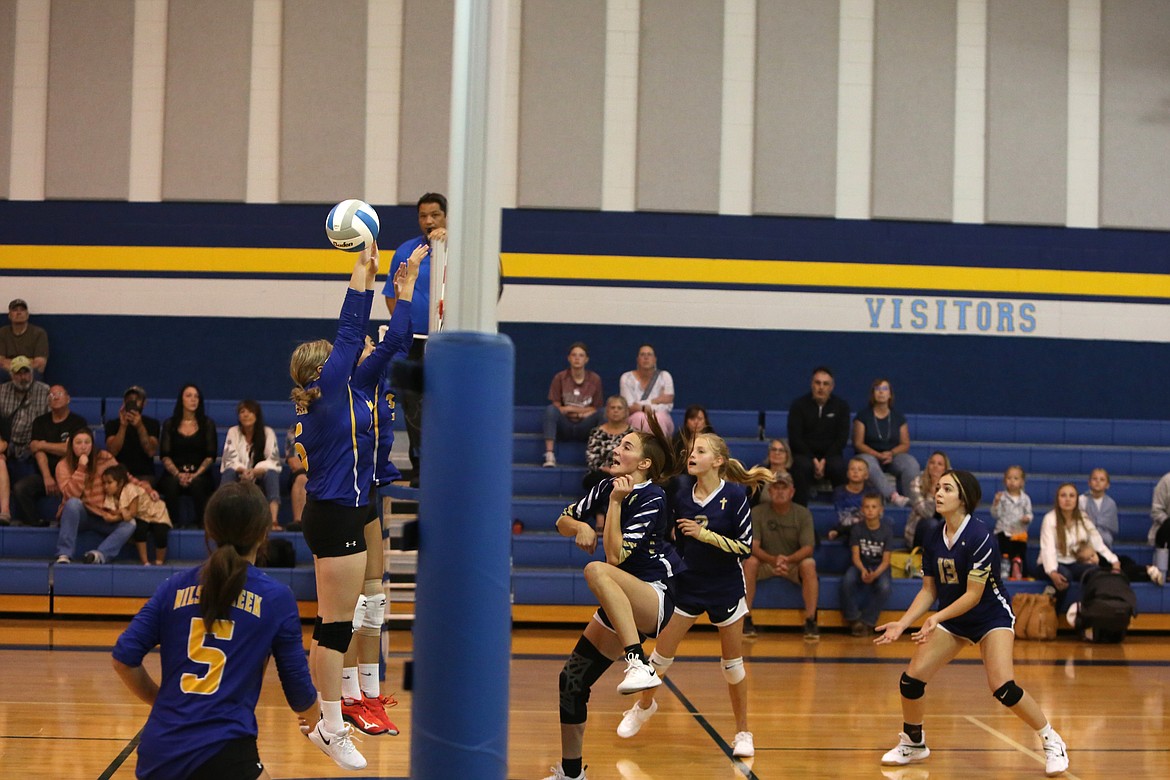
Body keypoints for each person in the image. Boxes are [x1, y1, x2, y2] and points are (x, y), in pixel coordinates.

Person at [291, 241, 423, 770]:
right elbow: (350, 330)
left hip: (351, 508)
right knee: (333, 626)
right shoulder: (326, 396)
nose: (350, 352)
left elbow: (393, 343)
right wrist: (360, 273)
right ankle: (330, 724)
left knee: (344, 620)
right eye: (340, 355)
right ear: (319, 372)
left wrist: (406, 291)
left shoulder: (351, 389)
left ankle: (337, 714)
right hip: (332, 516)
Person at [111, 482, 322, 779]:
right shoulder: (276, 598)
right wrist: (319, 720)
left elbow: (123, 658)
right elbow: (299, 691)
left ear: (208, 530)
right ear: (264, 534)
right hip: (225, 750)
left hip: (159, 751)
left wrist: (162, 701)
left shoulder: (173, 588)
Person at [875, 469, 1069, 776]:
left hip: (990, 616)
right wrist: (903, 623)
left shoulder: (981, 536)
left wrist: (935, 617)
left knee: (1003, 687)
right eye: (937, 488)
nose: (938, 493)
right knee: (911, 681)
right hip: (954, 618)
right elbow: (929, 590)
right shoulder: (931, 535)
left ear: (963, 498)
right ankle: (914, 743)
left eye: (947, 489)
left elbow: (974, 596)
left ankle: (1051, 739)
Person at [614, 433, 771, 759]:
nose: (692, 454)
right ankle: (644, 707)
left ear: (717, 461)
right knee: (659, 658)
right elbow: (670, 540)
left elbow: (744, 547)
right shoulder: (682, 497)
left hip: (725, 587)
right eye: (691, 450)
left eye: (701, 450)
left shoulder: (736, 495)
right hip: (687, 585)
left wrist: (705, 535)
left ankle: (743, 732)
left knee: (733, 666)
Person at [545, 415, 684, 780]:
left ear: (644, 463)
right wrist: (581, 525)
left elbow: (614, 557)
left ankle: (638, 661)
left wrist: (617, 505)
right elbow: (562, 520)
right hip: (619, 598)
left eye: (626, 446)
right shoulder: (608, 486)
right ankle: (571, 774)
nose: (617, 448)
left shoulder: (653, 496)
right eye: (618, 443)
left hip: (653, 597)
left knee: (595, 571)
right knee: (571, 681)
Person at [340, 295, 416, 739]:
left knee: (375, 598)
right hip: (345, 497)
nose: (373, 344)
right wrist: (403, 293)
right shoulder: (351, 383)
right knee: (353, 605)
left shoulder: (378, 381)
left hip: (368, 491)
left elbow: (399, 342)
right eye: (366, 342)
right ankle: (349, 697)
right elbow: (391, 340)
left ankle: (369, 690)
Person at [382, 192, 447, 483]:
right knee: (411, 401)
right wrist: (401, 332)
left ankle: (448, 463)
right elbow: (391, 296)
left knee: (445, 402)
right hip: (413, 343)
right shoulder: (406, 251)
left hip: (447, 343)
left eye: (435, 214)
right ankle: (419, 465)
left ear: (446, 217)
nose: (429, 221)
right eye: (423, 216)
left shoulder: (461, 252)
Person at [744, 471, 820, 640]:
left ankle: (810, 620)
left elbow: (808, 548)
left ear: (792, 492)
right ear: (769, 492)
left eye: (783, 488)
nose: (779, 492)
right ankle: (746, 618)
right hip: (766, 562)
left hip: (792, 563)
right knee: (749, 561)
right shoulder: (757, 512)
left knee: (809, 564)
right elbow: (753, 547)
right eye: (775, 488)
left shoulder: (802, 513)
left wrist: (787, 560)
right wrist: (773, 560)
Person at [53, 428, 139, 564]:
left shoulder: (104, 457)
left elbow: (123, 476)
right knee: (73, 503)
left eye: (87, 442)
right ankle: (64, 554)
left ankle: (99, 555)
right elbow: (70, 495)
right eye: (78, 443)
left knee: (130, 524)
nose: (83, 446)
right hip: (80, 515)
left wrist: (146, 487)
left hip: (103, 515)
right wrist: (81, 468)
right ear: (71, 446)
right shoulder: (62, 465)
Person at [12, 383, 87, 525]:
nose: (55, 397)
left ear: (68, 399)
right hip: (45, 474)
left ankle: (70, 524)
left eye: (59, 394)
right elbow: (37, 450)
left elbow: (72, 449)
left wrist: (43, 444)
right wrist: (47, 477)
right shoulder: (40, 422)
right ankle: (35, 525)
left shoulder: (78, 422)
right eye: (51, 395)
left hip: (72, 474)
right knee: (20, 488)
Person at [1039, 482, 1120, 610]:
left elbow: (1097, 542)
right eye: (1063, 495)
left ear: (1077, 499)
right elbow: (1048, 549)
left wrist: (1114, 561)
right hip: (1052, 563)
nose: (1067, 499)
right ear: (1057, 499)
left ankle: (1089, 614)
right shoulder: (1049, 519)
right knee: (1065, 577)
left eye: (1071, 496)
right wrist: (1053, 572)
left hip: (1073, 562)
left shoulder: (1083, 518)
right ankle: (1052, 615)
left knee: (1095, 573)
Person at [787, 366, 850, 506]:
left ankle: (843, 514)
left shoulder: (841, 407)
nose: (821, 387)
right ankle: (801, 514)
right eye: (817, 383)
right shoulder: (798, 406)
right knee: (800, 467)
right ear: (812, 384)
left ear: (832, 387)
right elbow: (795, 438)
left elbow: (841, 439)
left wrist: (825, 460)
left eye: (825, 384)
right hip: (805, 455)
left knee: (840, 467)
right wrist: (814, 460)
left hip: (831, 455)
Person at [157, 384, 218, 528]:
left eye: (196, 396)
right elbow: (165, 455)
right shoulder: (170, 424)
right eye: (189, 396)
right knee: (171, 484)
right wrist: (178, 474)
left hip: (200, 474)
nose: (193, 400)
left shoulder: (207, 424)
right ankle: (172, 523)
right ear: (181, 400)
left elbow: (210, 456)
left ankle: (202, 524)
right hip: (174, 472)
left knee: (198, 485)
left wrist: (195, 475)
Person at [852, 378, 919, 507]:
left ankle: (914, 501)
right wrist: (877, 455)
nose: (881, 392)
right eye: (877, 389)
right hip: (870, 455)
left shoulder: (898, 417)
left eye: (884, 389)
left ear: (890, 394)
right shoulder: (863, 416)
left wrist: (891, 453)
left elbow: (905, 444)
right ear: (873, 394)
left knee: (910, 463)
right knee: (867, 463)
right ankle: (893, 496)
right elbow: (858, 443)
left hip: (892, 456)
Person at [219, 400, 282, 529]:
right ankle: (223, 519)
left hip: (259, 475)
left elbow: (273, 460)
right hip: (239, 474)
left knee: (272, 474)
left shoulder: (267, 432)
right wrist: (243, 470)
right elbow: (229, 459)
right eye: (242, 412)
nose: (246, 415)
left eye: (250, 411)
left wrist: (254, 471)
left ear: (256, 415)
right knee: (229, 472)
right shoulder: (233, 432)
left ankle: (273, 520)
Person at [840, 492, 894, 636]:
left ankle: (868, 621)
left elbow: (886, 560)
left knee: (885, 587)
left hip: (880, 566)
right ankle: (853, 618)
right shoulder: (857, 529)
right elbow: (856, 556)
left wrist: (875, 574)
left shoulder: (887, 530)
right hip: (861, 564)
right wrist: (863, 570)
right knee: (847, 581)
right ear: (862, 509)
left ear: (881, 510)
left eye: (874, 507)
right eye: (867, 507)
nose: (870, 510)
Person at [542, 342, 604, 468]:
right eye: (574, 355)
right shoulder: (560, 377)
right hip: (565, 425)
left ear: (586, 359)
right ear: (569, 358)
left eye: (581, 355)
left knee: (604, 413)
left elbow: (596, 408)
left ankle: (598, 456)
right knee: (550, 410)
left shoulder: (595, 379)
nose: (577, 358)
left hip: (585, 424)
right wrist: (580, 411)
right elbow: (557, 406)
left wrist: (570, 409)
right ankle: (549, 454)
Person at [101, 464, 172, 566]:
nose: (105, 486)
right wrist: (120, 513)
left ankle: (159, 561)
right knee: (140, 530)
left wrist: (118, 514)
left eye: (109, 483)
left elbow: (131, 512)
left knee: (160, 532)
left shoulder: (130, 489)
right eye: (104, 483)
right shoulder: (110, 496)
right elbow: (111, 513)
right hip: (141, 515)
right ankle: (145, 562)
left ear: (120, 483)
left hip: (156, 511)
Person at [0, 356, 50, 483]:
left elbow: (51, 422)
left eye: (26, 372)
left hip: (33, 447)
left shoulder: (45, 391)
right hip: (7, 445)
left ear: (32, 373)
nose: (23, 377)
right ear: (11, 375)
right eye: (18, 373)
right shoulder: (2, 391)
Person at [104, 385, 161, 486]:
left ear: (144, 403)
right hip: (119, 474)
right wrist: (123, 426)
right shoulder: (112, 424)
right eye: (129, 399)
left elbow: (151, 451)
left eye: (137, 399)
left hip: (144, 474)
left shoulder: (152, 424)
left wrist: (140, 427)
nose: (133, 402)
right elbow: (112, 451)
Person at [619, 343, 675, 437]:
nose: (646, 358)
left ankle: (659, 451)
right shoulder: (626, 378)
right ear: (637, 359)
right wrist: (655, 401)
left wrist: (641, 407)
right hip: (634, 417)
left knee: (659, 418)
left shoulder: (665, 376)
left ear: (655, 359)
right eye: (642, 355)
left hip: (662, 417)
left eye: (649, 354)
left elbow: (666, 405)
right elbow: (629, 407)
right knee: (639, 417)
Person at [582, 395, 633, 492]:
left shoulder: (633, 434)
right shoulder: (596, 432)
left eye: (619, 408)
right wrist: (611, 471)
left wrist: (621, 471)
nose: (616, 411)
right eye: (612, 408)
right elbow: (592, 459)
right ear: (607, 411)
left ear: (626, 412)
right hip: (602, 473)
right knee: (596, 480)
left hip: (626, 474)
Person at [991, 466, 1033, 580]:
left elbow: (1029, 513)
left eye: (1016, 478)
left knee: (1019, 551)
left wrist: (1027, 518)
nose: (1012, 481)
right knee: (1004, 550)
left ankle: (1019, 569)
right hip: (1003, 530)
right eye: (1009, 478)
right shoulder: (1002, 497)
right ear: (1005, 481)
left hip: (1019, 532)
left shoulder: (1025, 499)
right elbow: (995, 514)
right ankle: (1004, 568)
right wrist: (996, 502)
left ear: (1022, 482)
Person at [904, 451, 951, 549]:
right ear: (928, 465)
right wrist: (934, 489)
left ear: (945, 468)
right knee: (932, 523)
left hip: (943, 532)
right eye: (932, 463)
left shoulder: (951, 486)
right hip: (918, 532)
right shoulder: (916, 482)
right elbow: (926, 512)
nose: (935, 466)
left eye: (940, 464)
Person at [1074, 541, 1163, 586]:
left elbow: (1118, 562)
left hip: (1124, 564)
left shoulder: (1104, 559)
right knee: (1128, 576)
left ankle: (1147, 569)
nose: (1092, 560)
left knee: (1127, 571)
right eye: (1087, 560)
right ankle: (1149, 576)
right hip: (1118, 575)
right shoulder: (1090, 571)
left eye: (1092, 556)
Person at [0, 300, 49, 378]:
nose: (19, 313)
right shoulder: (2, 332)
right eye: (15, 310)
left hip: (30, 372)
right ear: (9, 315)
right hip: (7, 372)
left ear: (27, 314)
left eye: (22, 310)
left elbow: (40, 364)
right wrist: (27, 362)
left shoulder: (39, 333)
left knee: (36, 374)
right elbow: (1, 362)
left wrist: (14, 364)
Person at [828, 456, 870, 541]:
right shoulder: (839, 492)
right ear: (847, 473)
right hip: (844, 529)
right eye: (852, 469)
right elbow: (838, 515)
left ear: (866, 475)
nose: (855, 472)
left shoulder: (871, 492)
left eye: (860, 470)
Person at [1079, 468, 1119, 549]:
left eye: (1102, 479)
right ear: (1089, 483)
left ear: (1107, 485)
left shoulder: (1111, 504)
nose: (1098, 482)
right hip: (1085, 537)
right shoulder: (1082, 499)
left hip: (1105, 539)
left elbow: (1112, 527)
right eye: (1094, 479)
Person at [751, 438, 792, 507]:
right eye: (773, 449)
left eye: (781, 450)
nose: (777, 453)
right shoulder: (759, 475)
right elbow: (751, 501)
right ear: (769, 453)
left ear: (787, 455)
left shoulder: (796, 476)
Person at [284, 424, 307, 531]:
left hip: (325, 471)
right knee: (301, 478)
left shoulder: (329, 427)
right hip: (301, 471)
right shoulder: (294, 429)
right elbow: (292, 461)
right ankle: (299, 521)